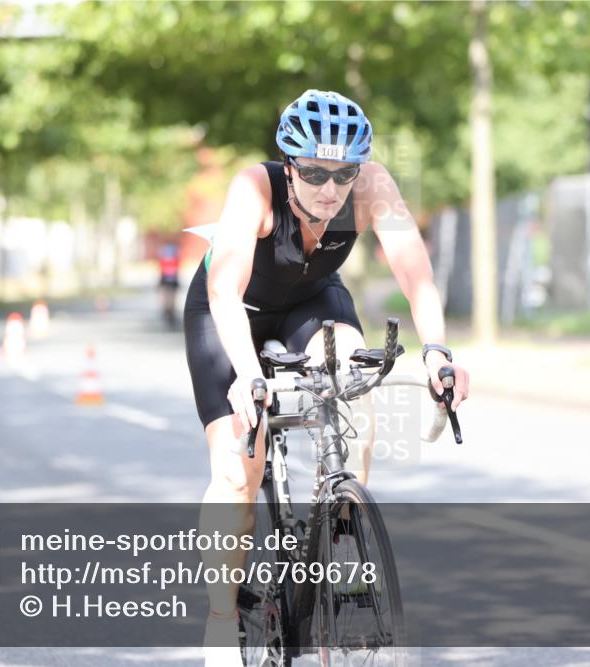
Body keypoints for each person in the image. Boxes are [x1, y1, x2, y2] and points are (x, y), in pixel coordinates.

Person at [182, 89, 470, 665]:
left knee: (353, 392)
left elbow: (416, 275)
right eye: (313, 172)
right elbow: (224, 290)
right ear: (289, 166)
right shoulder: (254, 189)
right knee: (239, 471)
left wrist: (437, 353)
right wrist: (247, 375)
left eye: (343, 174)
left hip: (313, 303)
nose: (329, 189)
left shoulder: (371, 188)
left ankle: (337, 540)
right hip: (231, 314)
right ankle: (220, 620)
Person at [157, 242, 181, 328]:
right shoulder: (175, 252)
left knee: (168, 296)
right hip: (171, 279)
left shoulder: (164, 252)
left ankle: (169, 310)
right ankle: (169, 310)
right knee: (170, 296)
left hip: (167, 279)